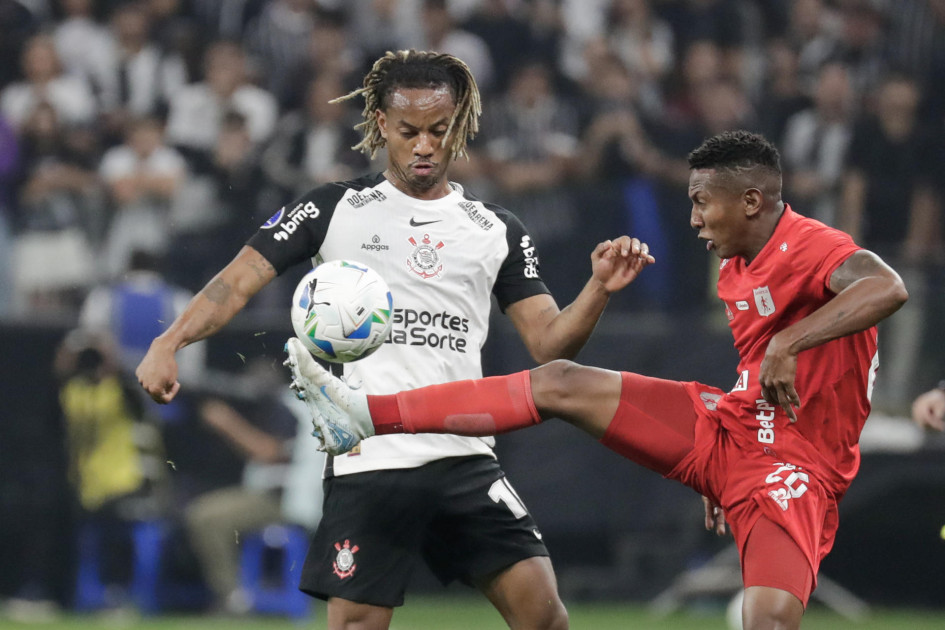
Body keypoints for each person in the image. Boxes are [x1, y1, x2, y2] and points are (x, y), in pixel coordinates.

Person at [284, 130, 909, 630]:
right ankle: (365, 413)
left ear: (750, 201)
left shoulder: (811, 244)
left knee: (767, 621)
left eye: (700, 201)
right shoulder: (734, 267)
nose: (692, 219)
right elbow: (761, 369)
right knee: (559, 380)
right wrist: (722, 465)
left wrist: (790, 343)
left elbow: (887, 286)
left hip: (795, 465)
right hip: (732, 432)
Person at [136, 49, 653, 630]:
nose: (425, 145)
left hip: (464, 455)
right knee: (357, 624)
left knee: (545, 618)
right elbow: (236, 283)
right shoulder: (333, 208)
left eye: (439, 130)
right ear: (382, 125)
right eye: (409, 131)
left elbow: (549, 346)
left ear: (458, 127)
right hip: (371, 457)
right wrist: (169, 342)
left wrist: (598, 289)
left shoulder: (497, 230)